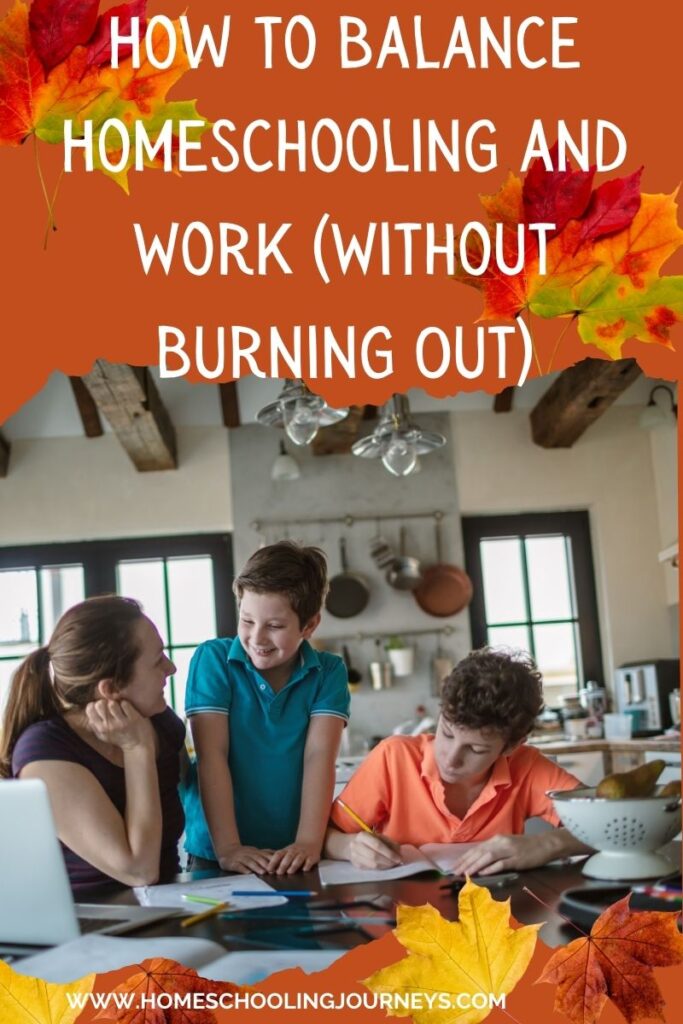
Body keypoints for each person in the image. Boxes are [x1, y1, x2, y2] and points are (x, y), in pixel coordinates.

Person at [325, 647, 591, 875]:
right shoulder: (394, 757)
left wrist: (546, 844)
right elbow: (322, 836)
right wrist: (348, 847)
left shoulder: (527, 766)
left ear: (510, 746)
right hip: (403, 911)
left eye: (475, 749)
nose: (451, 759)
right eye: (447, 733)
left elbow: (609, 824)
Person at [184, 541, 349, 876]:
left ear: (309, 626)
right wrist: (228, 848)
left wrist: (308, 841)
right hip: (216, 852)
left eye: (274, 626)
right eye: (247, 620)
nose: (257, 638)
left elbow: (319, 757)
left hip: (292, 852)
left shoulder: (328, 672)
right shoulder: (213, 660)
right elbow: (212, 755)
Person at [0, 595, 185, 891]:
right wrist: (137, 750)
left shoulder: (162, 722)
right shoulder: (46, 752)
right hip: (89, 915)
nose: (171, 668)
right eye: (157, 661)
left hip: (174, 905)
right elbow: (139, 871)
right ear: (110, 688)